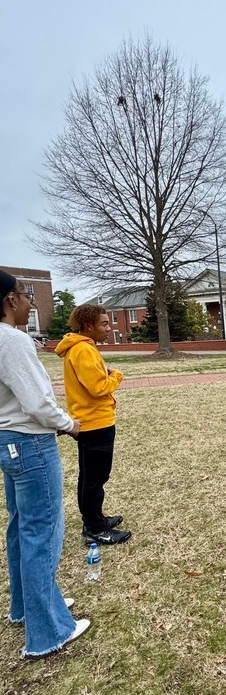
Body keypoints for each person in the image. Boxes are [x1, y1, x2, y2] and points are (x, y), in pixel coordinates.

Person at [0, 270, 90, 657]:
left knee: (21, 526)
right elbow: (37, 401)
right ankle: (48, 631)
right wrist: (68, 424)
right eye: (23, 294)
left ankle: (26, 607)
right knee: (43, 530)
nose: (28, 302)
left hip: (7, 442)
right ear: (8, 300)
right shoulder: (13, 341)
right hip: (31, 443)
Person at [55, 305, 132, 545]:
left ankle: (94, 517)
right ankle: (94, 527)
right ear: (89, 326)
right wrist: (116, 375)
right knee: (95, 477)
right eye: (104, 324)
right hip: (95, 423)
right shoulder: (83, 350)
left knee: (90, 475)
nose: (108, 329)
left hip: (89, 421)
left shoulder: (79, 348)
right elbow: (98, 387)